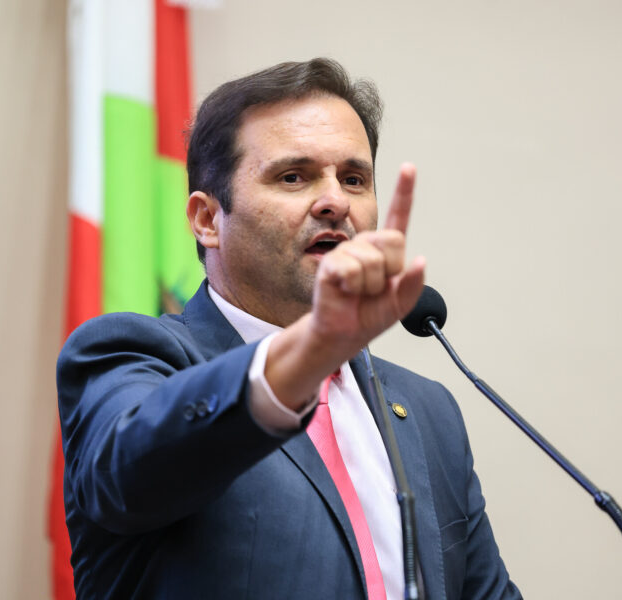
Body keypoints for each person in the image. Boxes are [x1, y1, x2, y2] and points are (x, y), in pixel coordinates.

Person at [57, 58, 521, 599]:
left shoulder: (428, 409)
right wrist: (310, 351)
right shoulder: (129, 356)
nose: (335, 202)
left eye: (353, 179)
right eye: (293, 177)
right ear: (207, 220)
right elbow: (127, 475)